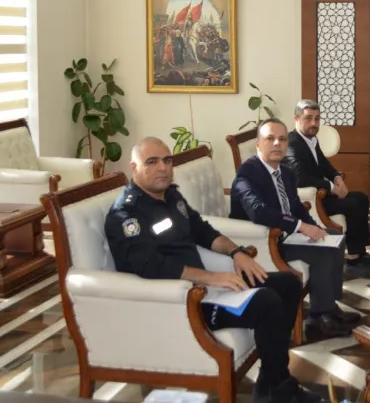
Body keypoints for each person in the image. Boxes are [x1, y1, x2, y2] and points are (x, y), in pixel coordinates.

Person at [106, 137, 320, 403]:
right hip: (179, 302)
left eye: (167, 160)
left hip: (205, 289)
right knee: (266, 302)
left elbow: (203, 231)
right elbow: (149, 265)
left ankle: (271, 380)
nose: (162, 167)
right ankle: (278, 389)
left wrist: (236, 253)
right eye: (152, 162)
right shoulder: (127, 214)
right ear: (133, 168)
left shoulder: (171, 197)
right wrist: (212, 278)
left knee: (288, 284)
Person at [230, 119, 360, 340]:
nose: (277, 144)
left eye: (282, 139)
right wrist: (300, 226)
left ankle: (330, 308)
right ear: (258, 144)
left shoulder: (285, 172)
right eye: (270, 139)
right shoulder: (248, 172)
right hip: (264, 243)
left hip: (287, 236)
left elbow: (296, 206)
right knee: (323, 253)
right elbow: (258, 211)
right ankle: (317, 321)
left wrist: (314, 227)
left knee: (334, 237)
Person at [285, 99, 370, 279]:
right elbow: (300, 178)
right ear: (296, 119)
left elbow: (324, 164)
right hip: (308, 200)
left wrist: (337, 177)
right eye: (308, 118)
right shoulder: (292, 143)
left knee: (361, 198)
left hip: (320, 194)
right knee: (352, 205)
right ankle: (353, 261)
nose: (314, 123)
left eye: (317, 119)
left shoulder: (311, 139)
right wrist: (331, 188)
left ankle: (360, 254)